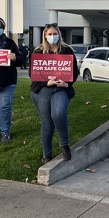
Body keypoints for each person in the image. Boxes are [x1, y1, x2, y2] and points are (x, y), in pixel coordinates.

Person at [30, 23, 79, 164]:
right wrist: (46, 83)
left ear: (59, 34)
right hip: (43, 90)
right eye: (50, 34)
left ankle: (64, 144)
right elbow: (33, 74)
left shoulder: (67, 50)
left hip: (61, 89)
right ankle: (47, 155)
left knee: (58, 113)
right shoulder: (38, 51)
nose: (52, 37)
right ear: (45, 36)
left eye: (55, 34)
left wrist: (67, 83)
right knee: (47, 123)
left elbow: (74, 72)